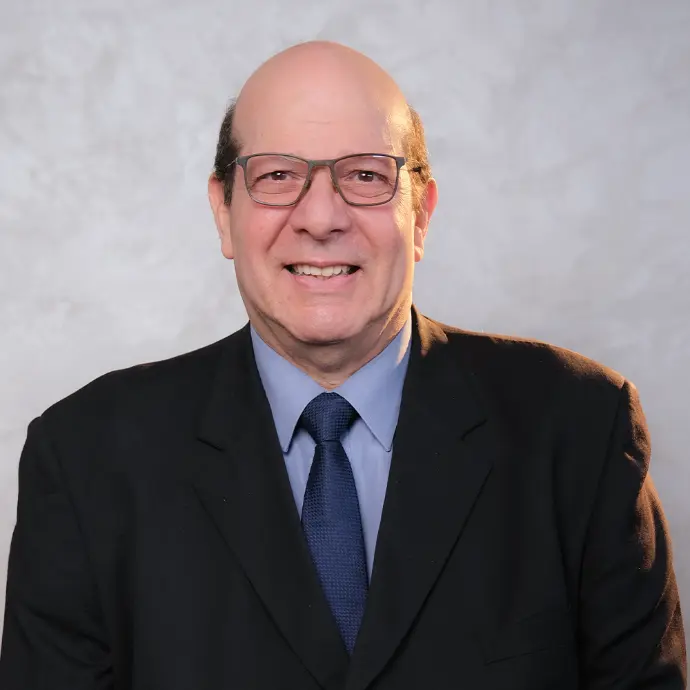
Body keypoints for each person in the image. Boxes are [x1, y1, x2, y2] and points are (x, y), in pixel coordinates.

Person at [0, 40, 685, 690]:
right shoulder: (86, 457)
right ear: (223, 213)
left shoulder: (579, 429)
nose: (322, 217)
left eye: (365, 175)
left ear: (421, 215)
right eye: (277, 176)